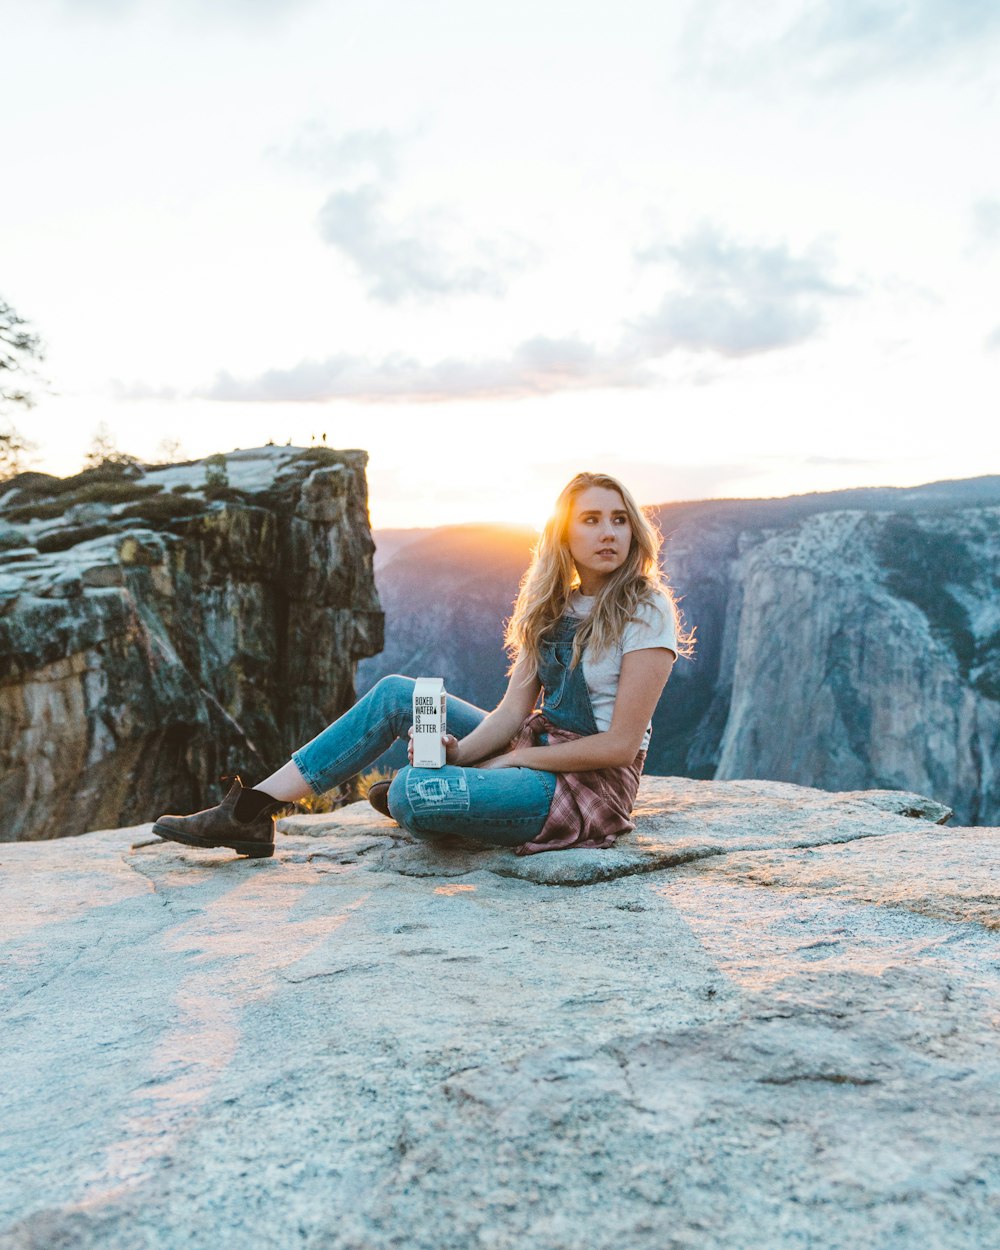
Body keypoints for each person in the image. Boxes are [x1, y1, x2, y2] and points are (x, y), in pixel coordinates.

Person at [151, 472, 693, 859]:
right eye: (592, 520)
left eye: (620, 520)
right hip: (533, 749)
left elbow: (620, 745)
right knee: (394, 693)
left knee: (411, 789)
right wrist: (462, 752)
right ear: (565, 535)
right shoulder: (552, 607)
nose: (608, 533)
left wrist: (508, 766)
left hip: (585, 786)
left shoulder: (646, 609)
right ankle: (251, 811)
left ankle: (455, 802)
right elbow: (510, 714)